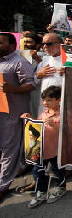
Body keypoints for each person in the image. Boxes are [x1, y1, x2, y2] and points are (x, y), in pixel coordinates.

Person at [0, 33, 35, 204]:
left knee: (9, 149)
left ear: (12, 45)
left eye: (1, 43)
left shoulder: (20, 62)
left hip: (13, 114)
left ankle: (3, 185)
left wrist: (12, 89)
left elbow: (30, 84)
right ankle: (21, 166)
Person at [22, 86, 66, 208]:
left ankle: (61, 188)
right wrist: (29, 118)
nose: (45, 103)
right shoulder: (44, 113)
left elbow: (65, 131)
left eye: (49, 100)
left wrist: (55, 125)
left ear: (58, 100)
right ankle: (41, 192)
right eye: (44, 100)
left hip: (56, 151)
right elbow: (37, 126)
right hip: (41, 151)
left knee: (58, 171)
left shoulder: (62, 114)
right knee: (38, 172)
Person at [35, 33, 63, 105]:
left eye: (49, 44)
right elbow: (35, 80)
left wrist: (70, 72)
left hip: (62, 101)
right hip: (45, 102)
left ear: (60, 44)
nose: (45, 47)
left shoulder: (71, 61)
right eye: (43, 44)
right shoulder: (45, 60)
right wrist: (39, 75)